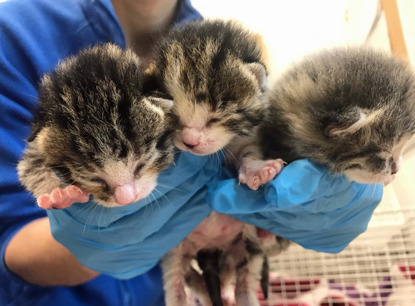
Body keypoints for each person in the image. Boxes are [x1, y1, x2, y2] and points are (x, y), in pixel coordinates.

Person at [0, 0, 382, 305]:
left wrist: (299, 208)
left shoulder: (212, 44)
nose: (192, 140)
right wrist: (86, 241)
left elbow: (253, 147)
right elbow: (11, 227)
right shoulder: (16, 32)